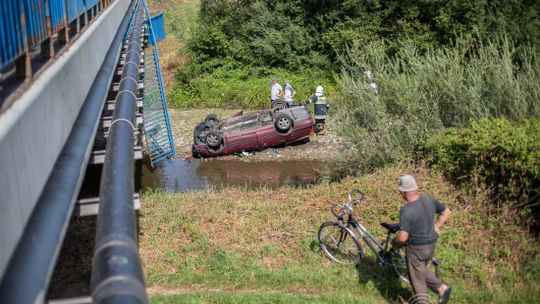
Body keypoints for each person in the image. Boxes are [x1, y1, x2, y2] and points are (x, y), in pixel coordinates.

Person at [392, 175, 452, 304]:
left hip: (416, 249)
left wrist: (394, 243)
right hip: (431, 245)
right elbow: (446, 211)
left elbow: (402, 237)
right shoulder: (427, 198)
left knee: (417, 281)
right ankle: (441, 289)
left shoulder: (406, 210)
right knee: (421, 270)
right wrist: (437, 226)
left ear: (402, 192)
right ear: (414, 188)